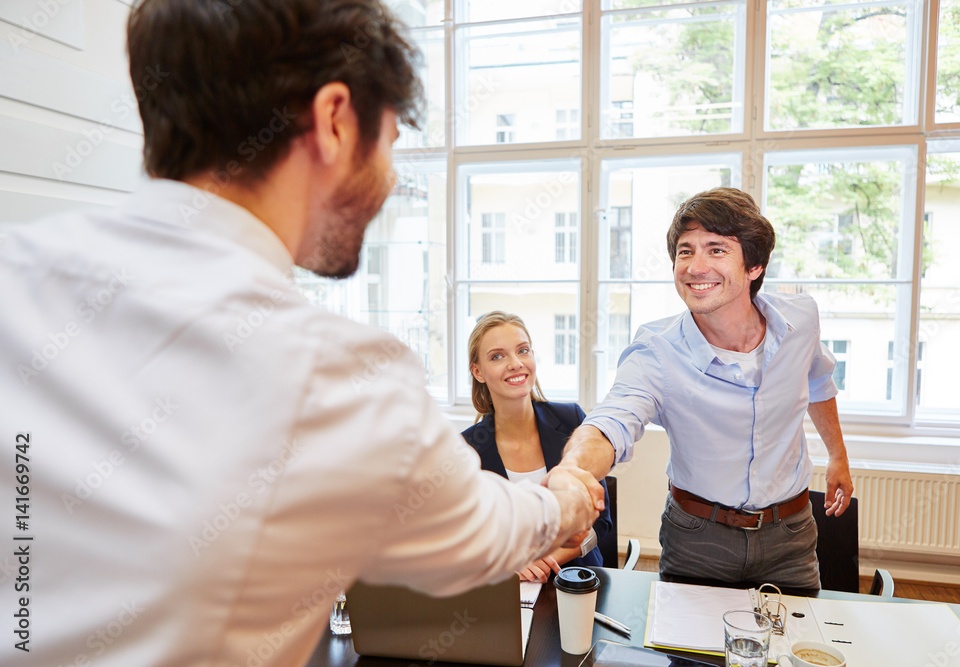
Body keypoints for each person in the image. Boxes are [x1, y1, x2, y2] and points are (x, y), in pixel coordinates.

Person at [0, 1, 601, 665]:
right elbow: (485, 532)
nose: (391, 178)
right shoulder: (337, 374)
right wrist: (567, 498)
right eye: (392, 143)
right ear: (335, 121)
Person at [553, 187, 853, 588]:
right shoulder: (657, 351)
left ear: (754, 267)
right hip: (698, 539)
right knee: (691, 652)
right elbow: (612, 420)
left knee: (788, 649)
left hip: (791, 535)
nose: (695, 266)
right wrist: (572, 472)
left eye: (716, 249)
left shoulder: (801, 320)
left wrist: (838, 455)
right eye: (685, 250)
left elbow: (817, 379)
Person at [461, 312, 613, 582]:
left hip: (578, 581)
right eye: (497, 356)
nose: (516, 364)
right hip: (507, 586)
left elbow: (600, 523)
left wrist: (545, 558)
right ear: (478, 371)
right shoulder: (465, 450)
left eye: (523, 350)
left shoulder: (573, 422)